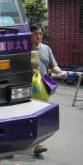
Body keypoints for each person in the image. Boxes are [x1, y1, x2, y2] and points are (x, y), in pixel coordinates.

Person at [30, 23, 67, 156]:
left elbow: (53, 65)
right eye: (35, 34)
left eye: (40, 33)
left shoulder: (46, 48)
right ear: (30, 35)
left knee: (41, 115)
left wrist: (61, 72)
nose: (38, 36)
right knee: (30, 115)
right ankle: (34, 144)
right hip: (27, 88)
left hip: (43, 86)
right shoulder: (24, 49)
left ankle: (37, 144)